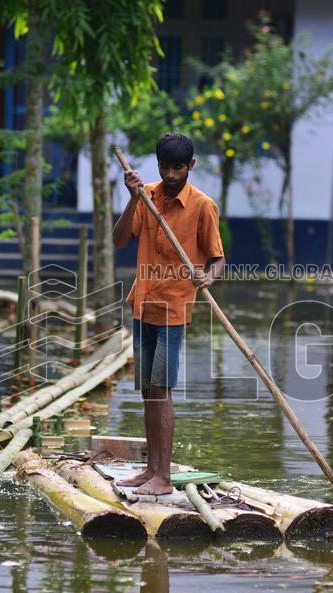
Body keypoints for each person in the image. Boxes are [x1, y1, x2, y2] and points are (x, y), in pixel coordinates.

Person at [112, 132, 226, 495]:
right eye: (165, 167)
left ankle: (163, 478)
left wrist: (207, 276)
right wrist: (133, 199)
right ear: (158, 165)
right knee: (148, 389)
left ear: (190, 165)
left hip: (174, 308)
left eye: (178, 167)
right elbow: (118, 240)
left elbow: (217, 258)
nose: (172, 174)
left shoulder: (203, 206)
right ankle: (151, 470)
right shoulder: (146, 195)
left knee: (162, 390)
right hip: (144, 301)